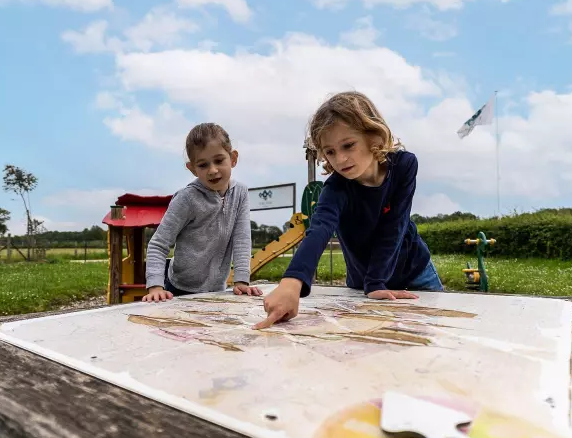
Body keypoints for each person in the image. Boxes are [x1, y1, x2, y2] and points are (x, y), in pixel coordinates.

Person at [254, 91, 442, 329]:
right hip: (363, 285)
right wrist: (291, 283)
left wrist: (376, 281)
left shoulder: (404, 166)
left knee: (436, 339)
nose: (340, 159)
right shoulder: (336, 189)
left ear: (373, 136)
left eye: (348, 145)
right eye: (330, 151)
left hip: (416, 273)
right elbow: (319, 229)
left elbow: (394, 225)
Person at [144, 123, 262, 302]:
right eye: (203, 165)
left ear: (233, 158)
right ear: (192, 168)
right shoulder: (187, 198)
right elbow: (158, 244)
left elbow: (242, 239)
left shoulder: (240, 194)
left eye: (219, 161)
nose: (212, 170)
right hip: (179, 288)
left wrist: (241, 281)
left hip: (216, 289)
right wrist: (155, 287)